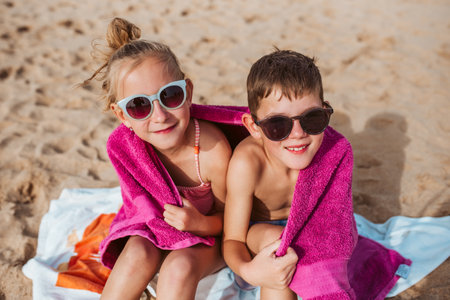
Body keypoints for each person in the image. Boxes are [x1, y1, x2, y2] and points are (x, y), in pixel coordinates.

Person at [84, 18, 231, 300]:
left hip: (208, 237)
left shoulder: (213, 151)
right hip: (154, 230)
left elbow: (232, 220)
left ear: (187, 92)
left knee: (179, 267)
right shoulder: (126, 148)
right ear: (121, 115)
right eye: (139, 106)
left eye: (170, 95)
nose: (160, 115)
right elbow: (140, 208)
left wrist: (199, 223)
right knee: (137, 253)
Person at [223, 49, 336, 299]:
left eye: (312, 119)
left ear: (325, 111)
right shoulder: (248, 163)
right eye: (278, 125)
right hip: (260, 231)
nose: (297, 134)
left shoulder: (331, 155)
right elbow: (232, 240)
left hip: (307, 230)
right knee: (281, 247)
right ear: (254, 127)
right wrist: (249, 271)